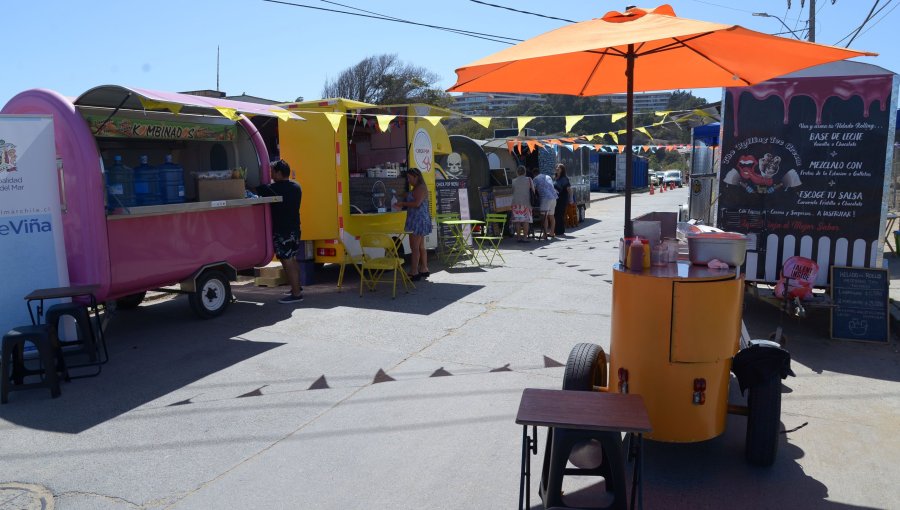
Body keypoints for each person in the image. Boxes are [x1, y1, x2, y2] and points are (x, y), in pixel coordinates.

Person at [257, 159, 304, 304]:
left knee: (288, 261)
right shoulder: (296, 186)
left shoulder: (275, 188)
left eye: (272, 172)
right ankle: (297, 288)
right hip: (295, 229)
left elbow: (257, 188)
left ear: (278, 173)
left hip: (283, 232)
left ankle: (296, 294)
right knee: (292, 259)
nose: (271, 175)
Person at [393, 167, 432, 281]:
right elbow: (411, 196)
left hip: (417, 220)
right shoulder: (417, 187)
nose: (408, 180)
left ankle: (414, 272)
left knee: (414, 248)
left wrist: (402, 203)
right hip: (419, 219)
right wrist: (402, 194)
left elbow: (416, 203)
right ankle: (424, 268)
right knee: (420, 247)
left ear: (416, 177)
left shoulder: (420, 187)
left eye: (409, 178)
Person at [510, 165, 534, 242]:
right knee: (525, 221)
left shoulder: (513, 181)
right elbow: (533, 190)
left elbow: (512, 191)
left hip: (515, 202)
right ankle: (525, 238)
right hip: (526, 202)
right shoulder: (529, 179)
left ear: (517, 172)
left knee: (517, 221)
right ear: (525, 172)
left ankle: (518, 237)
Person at [532, 167, 557, 240]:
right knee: (551, 216)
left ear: (534, 174)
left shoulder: (535, 179)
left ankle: (545, 234)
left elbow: (533, 190)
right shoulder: (548, 176)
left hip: (545, 198)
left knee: (544, 217)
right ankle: (552, 233)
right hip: (554, 197)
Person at [553, 163, 571, 237]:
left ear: (562, 170)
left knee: (559, 214)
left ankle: (560, 231)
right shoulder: (555, 178)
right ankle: (556, 230)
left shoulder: (564, 178)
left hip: (562, 198)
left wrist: (570, 199)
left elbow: (569, 189)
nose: (557, 168)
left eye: (559, 167)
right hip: (555, 198)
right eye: (556, 167)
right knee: (555, 214)